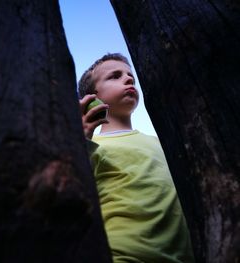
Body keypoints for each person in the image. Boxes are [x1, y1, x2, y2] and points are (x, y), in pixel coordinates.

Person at [78, 53, 195, 262]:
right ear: (93, 97)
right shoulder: (91, 146)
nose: (129, 79)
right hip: (124, 256)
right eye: (115, 76)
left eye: (130, 75)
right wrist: (81, 138)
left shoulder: (164, 142)